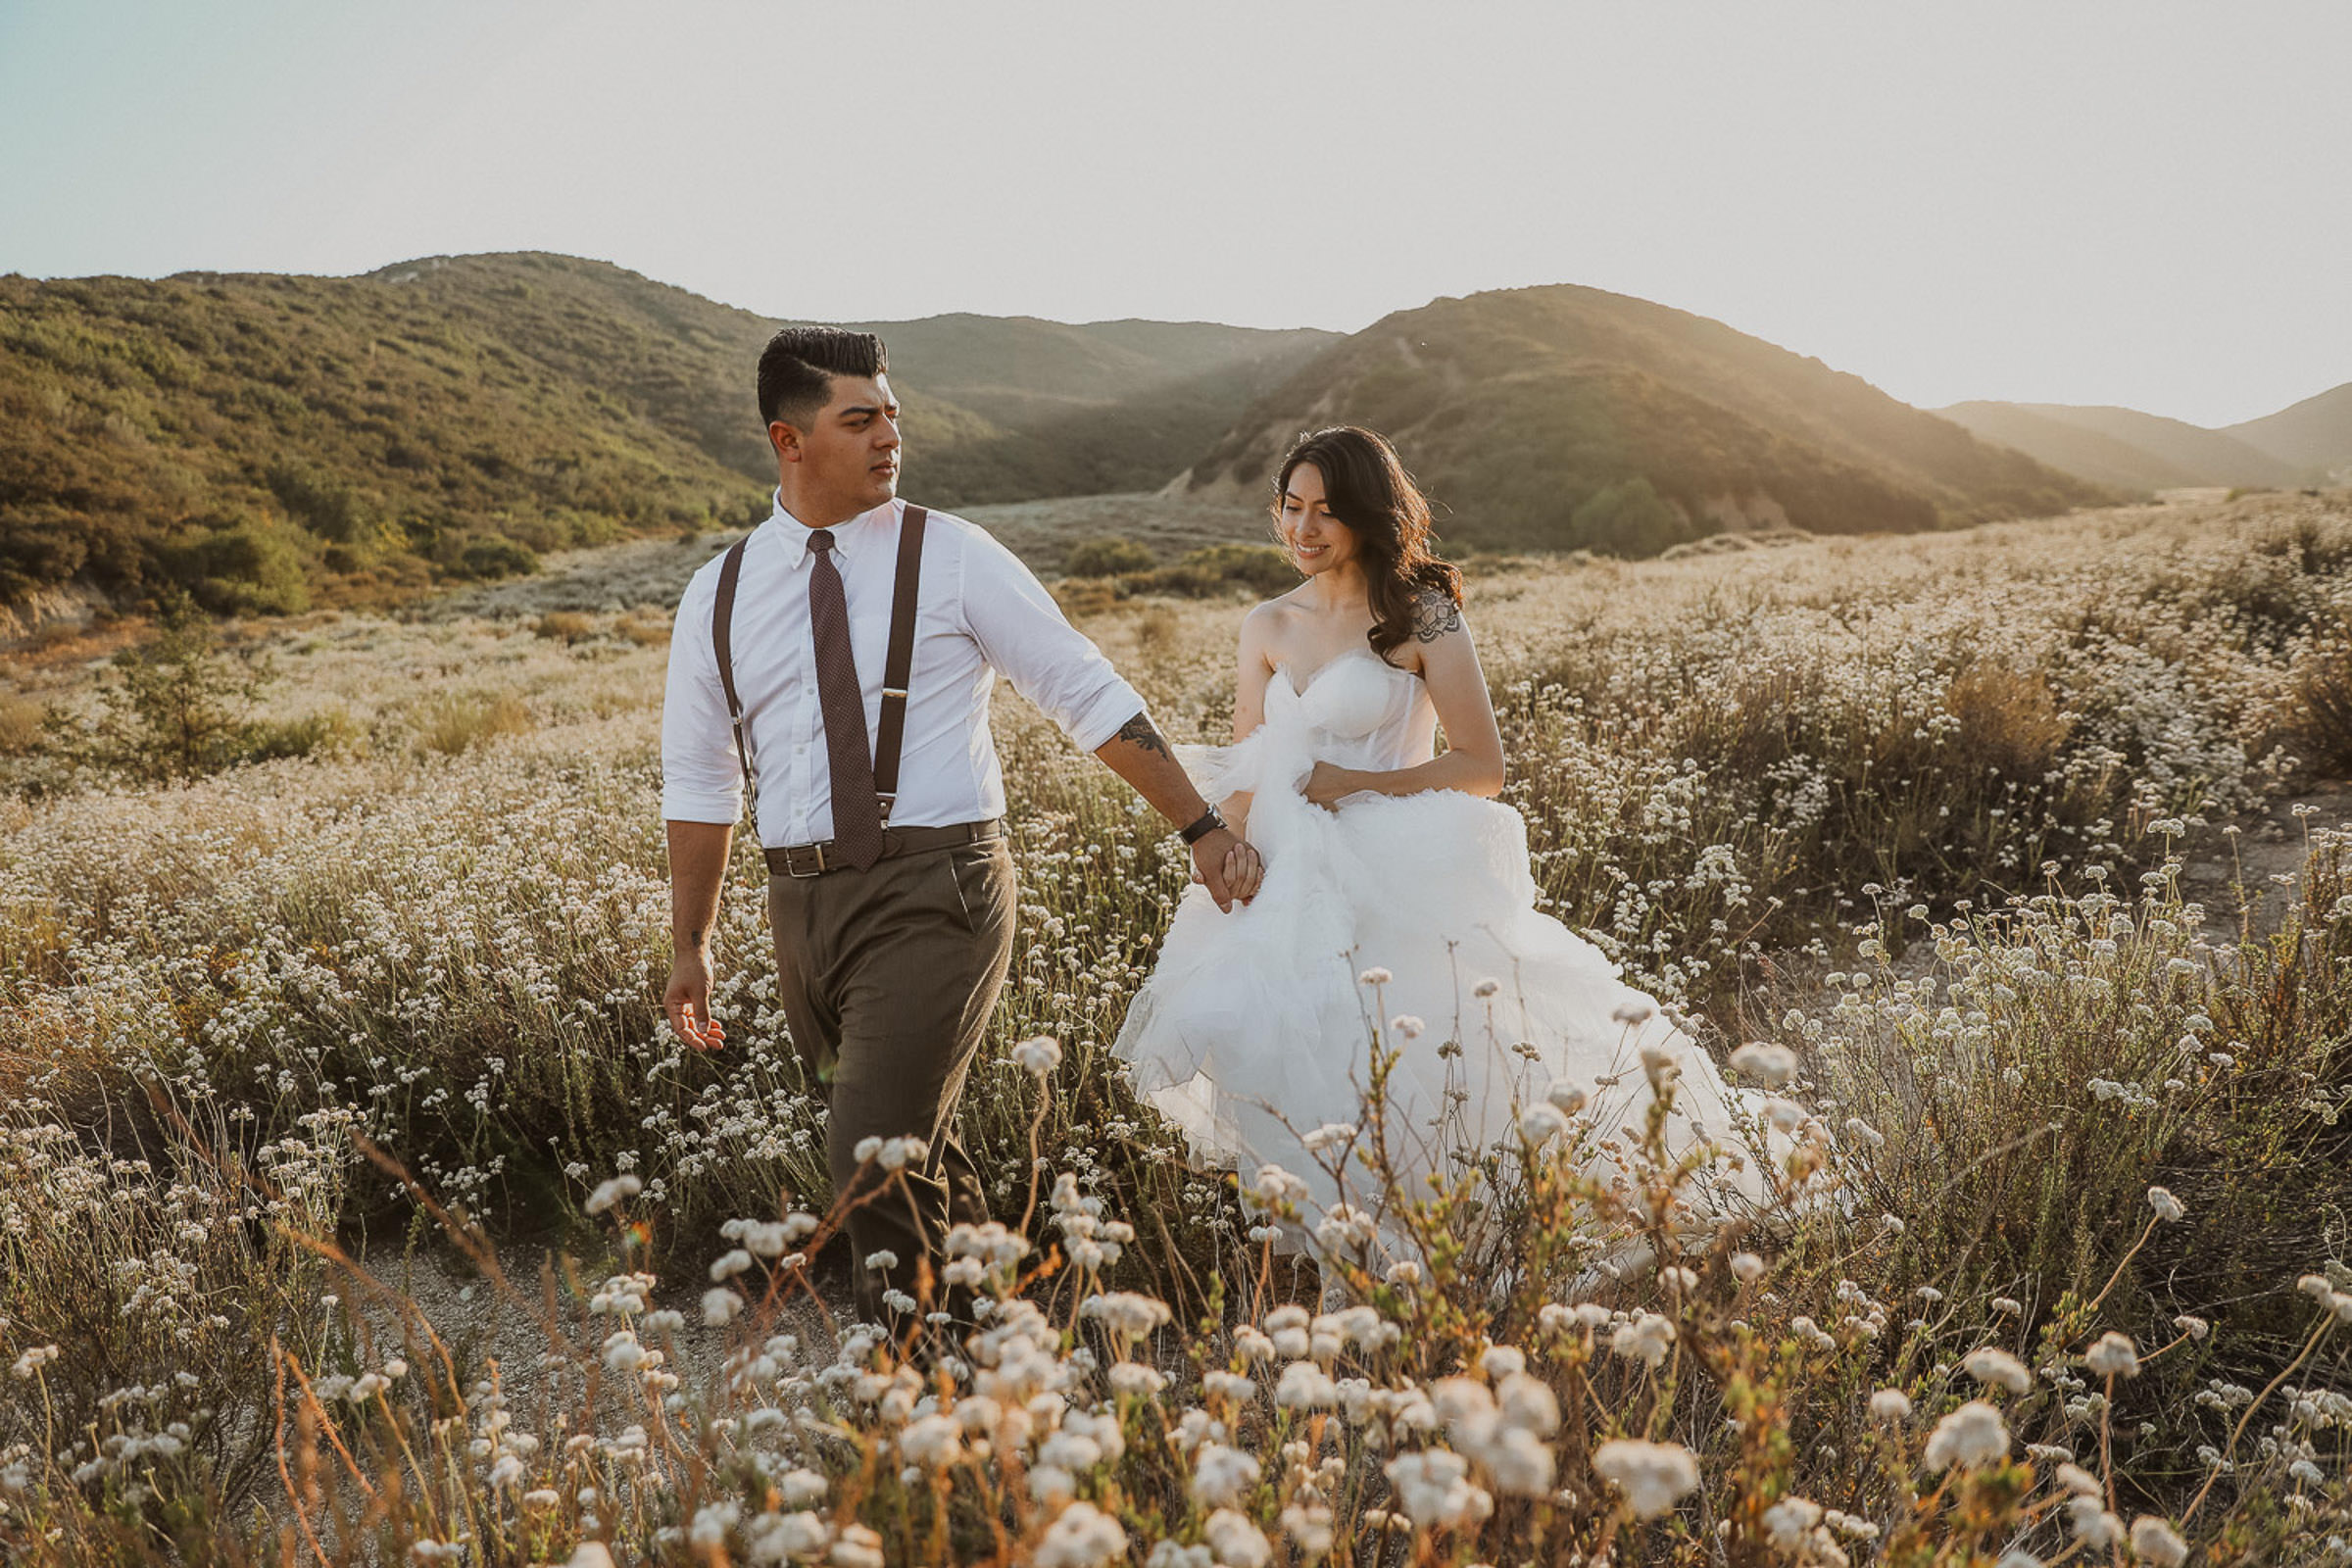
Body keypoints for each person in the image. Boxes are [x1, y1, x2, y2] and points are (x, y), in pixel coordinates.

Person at [661, 326, 1261, 1329]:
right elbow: (700, 777)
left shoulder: (952, 552)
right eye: (861, 419)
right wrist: (691, 944)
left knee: (869, 1157)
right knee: (907, 1146)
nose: (890, 435)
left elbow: (1079, 686)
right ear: (789, 440)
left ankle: (915, 1412)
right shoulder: (716, 593)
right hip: (799, 907)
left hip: (938, 890)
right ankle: (1017, 1330)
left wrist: (1196, 822)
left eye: (893, 413)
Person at [1111, 426, 1768, 1263]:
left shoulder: (1421, 612)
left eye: (1326, 512)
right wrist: (1229, 850)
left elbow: (1481, 765)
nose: (1303, 530)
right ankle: (1339, 1254)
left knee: (1426, 1056)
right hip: (1288, 874)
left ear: (1367, 515)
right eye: (1291, 508)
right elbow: (1245, 764)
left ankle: (1469, 1235)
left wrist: (1358, 787)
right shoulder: (1266, 623)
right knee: (1296, 1054)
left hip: (1396, 870)